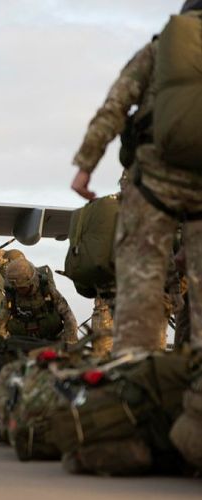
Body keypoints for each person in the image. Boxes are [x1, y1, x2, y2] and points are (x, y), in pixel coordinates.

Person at [71, 0, 202, 353]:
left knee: (140, 290)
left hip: (154, 185)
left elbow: (115, 104)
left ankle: (136, 382)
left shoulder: (160, 50)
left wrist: (86, 164)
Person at [0, 259, 78, 344]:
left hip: (52, 339)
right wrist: (0, 345)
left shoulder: (47, 290)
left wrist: (70, 341)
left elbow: (67, 315)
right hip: (23, 343)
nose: (19, 290)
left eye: (22, 288)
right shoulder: (11, 295)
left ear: (31, 282)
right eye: (16, 288)